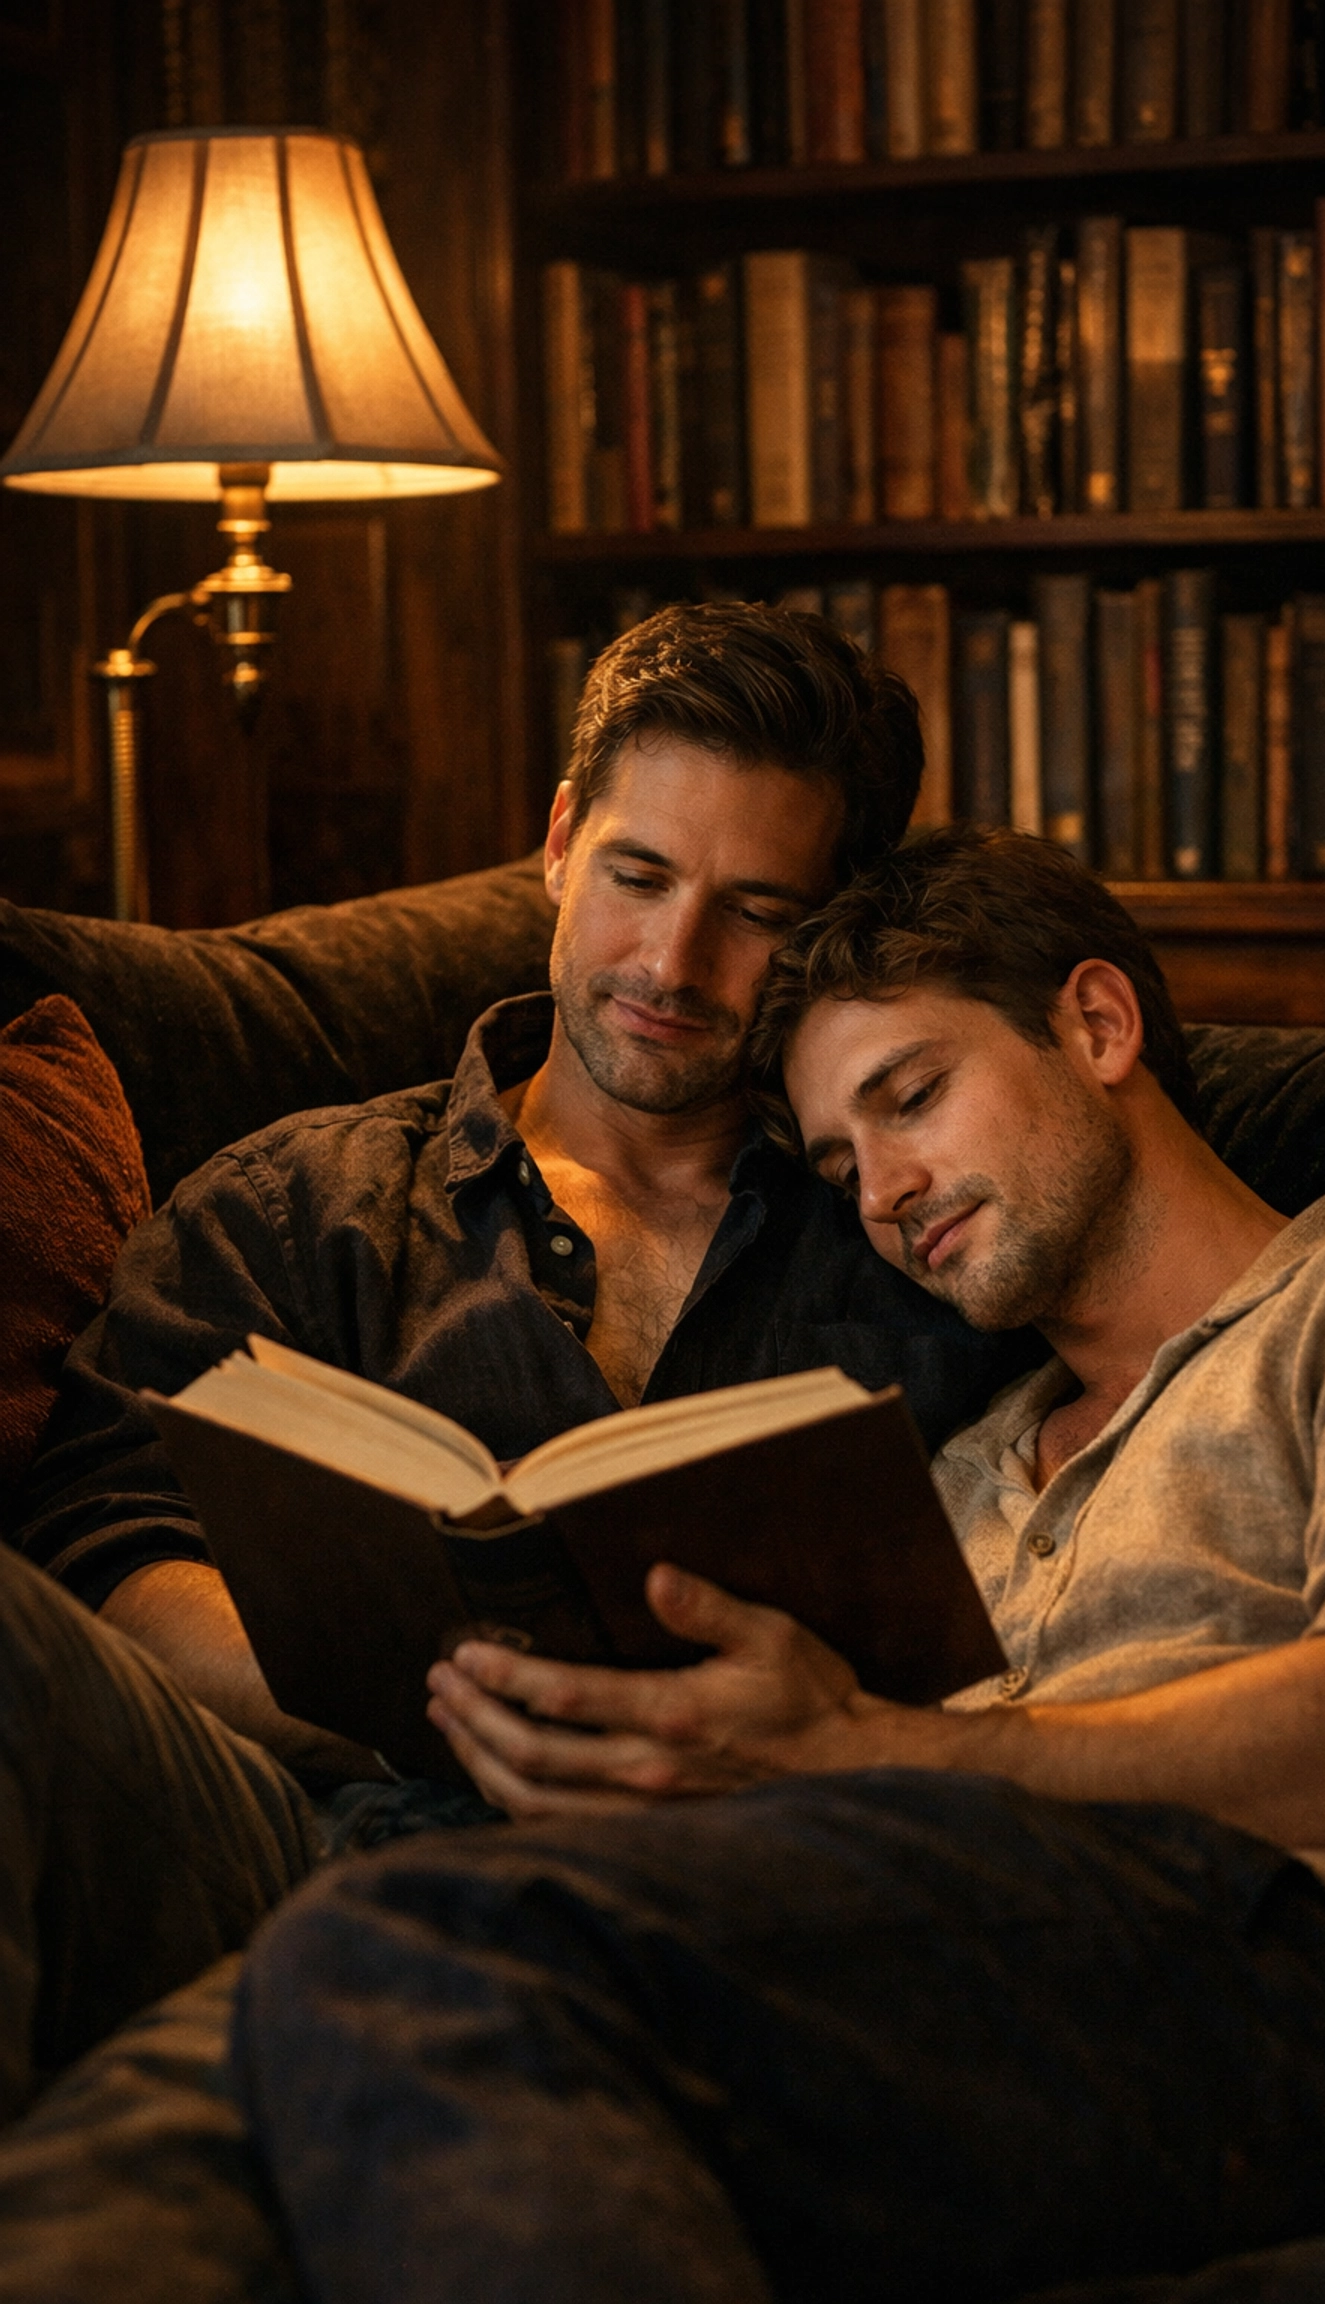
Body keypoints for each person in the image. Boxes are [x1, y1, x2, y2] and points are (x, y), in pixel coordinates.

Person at [231, 824, 1325, 2303]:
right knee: (291, 2062)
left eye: (913, 1097)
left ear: (1097, 1025)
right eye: (842, 1162)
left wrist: (866, 1751)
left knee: (411, 1964)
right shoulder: (953, 1476)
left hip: (1318, 1972)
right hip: (945, 1977)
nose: (885, 1194)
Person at [0, 609, 1039, 2115]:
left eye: (753, 909)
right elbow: (99, 1548)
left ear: (823, 928)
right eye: (637, 876)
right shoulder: (301, 1206)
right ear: (558, 840)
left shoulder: (908, 1225)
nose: (671, 961)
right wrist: (425, 1699)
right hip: (311, 1832)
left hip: (760, 1889)